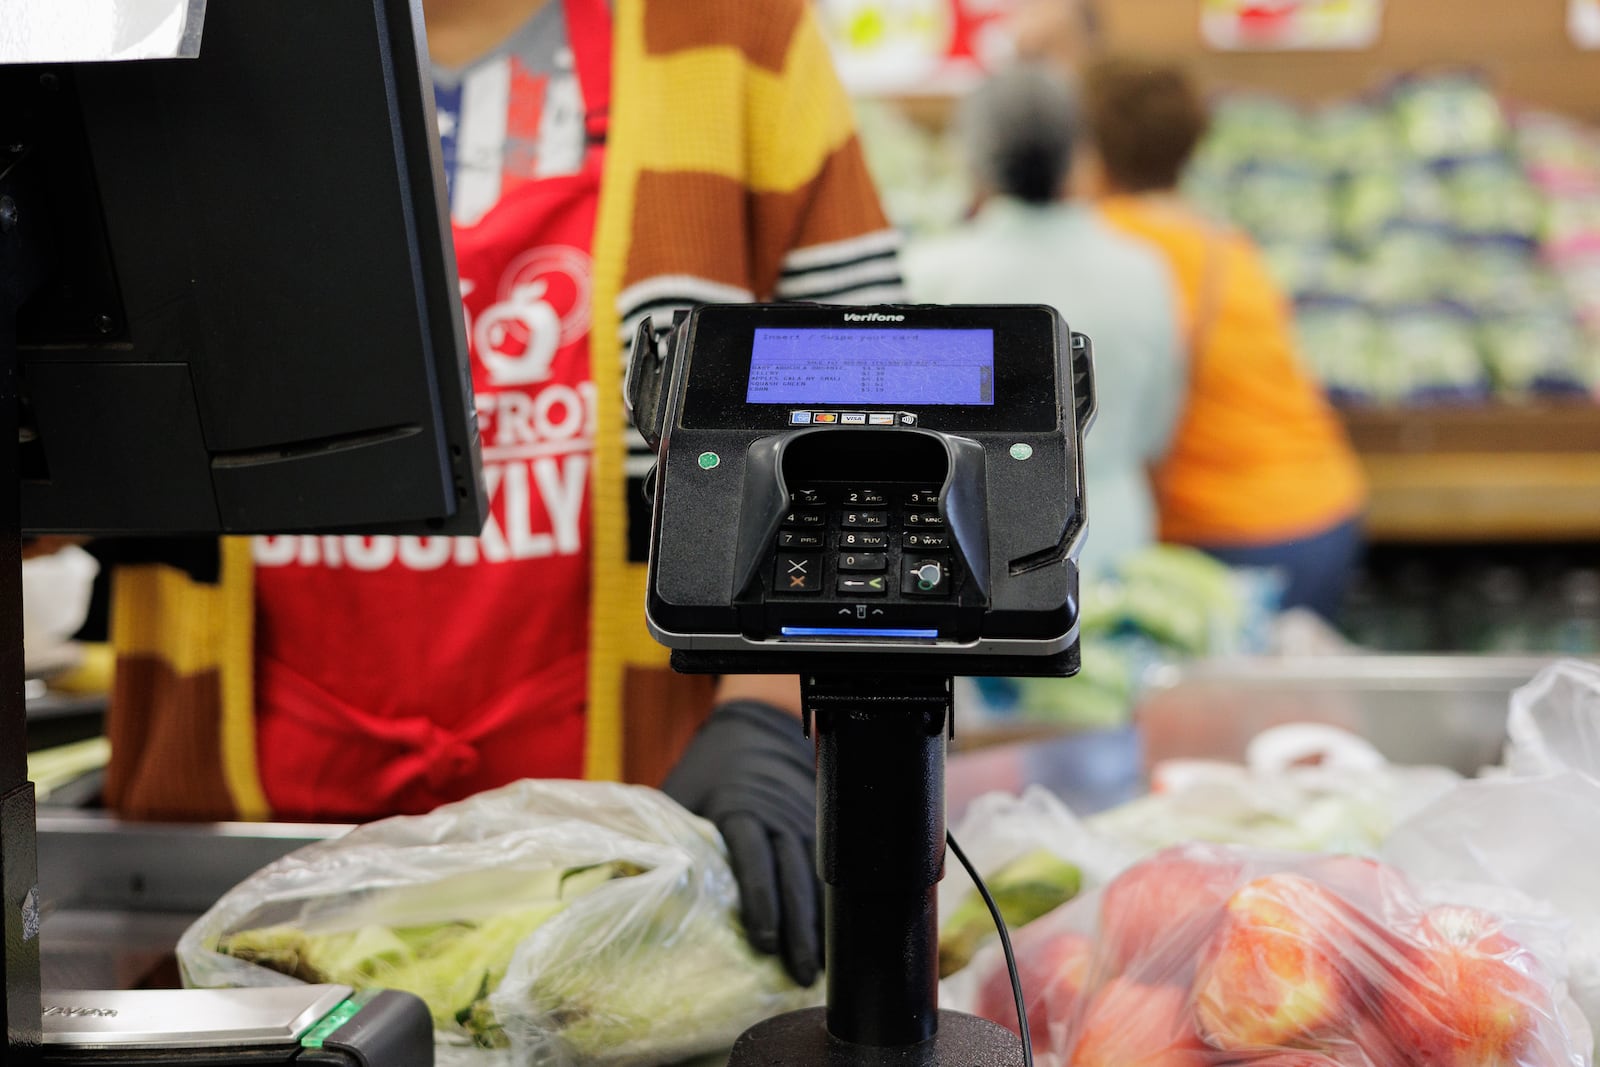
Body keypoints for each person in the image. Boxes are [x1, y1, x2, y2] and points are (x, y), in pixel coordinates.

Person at [104, 0, 906, 987]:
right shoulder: (154, 24)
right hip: (231, 858)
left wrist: (767, 707)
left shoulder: (739, 34)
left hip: (617, 877)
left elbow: (875, 409)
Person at [1079, 56, 1367, 618]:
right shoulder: (1220, 241)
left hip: (1227, 530)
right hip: (1323, 506)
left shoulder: (1113, 248)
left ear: (1090, 148)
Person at [901, 64, 1183, 578]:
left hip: (969, 549)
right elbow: (1154, 434)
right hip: (1114, 548)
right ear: (1081, 154)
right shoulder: (1143, 269)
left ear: (972, 157)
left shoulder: (927, 274)